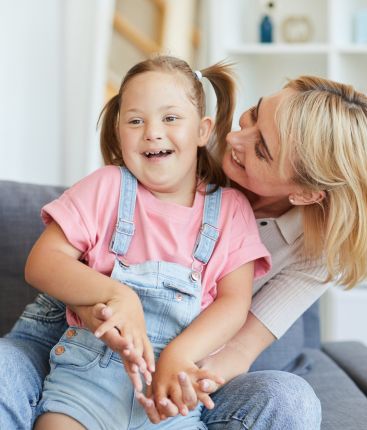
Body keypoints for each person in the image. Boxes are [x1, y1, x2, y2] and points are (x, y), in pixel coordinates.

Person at [0, 74, 367, 429]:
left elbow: (239, 342)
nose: (233, 139)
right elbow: (71, 253)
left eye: (262, 149)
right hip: (78, 335)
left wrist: (179, 380)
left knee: (290, 399)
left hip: (185, 358)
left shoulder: (292, 242)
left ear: (306, 193)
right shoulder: (169, 153)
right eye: (252, 115)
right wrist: (102, 302)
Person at [24, 55, 271, 430]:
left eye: (170, 118)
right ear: (119, 131)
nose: (152, 132)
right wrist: (120, 296)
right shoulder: (106, 186)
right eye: (135, 121)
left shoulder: (230, 210)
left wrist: (180, 353)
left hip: (170, 396)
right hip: (84, 386)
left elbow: (235, 301)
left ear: (203, 131)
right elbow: (42, 263)